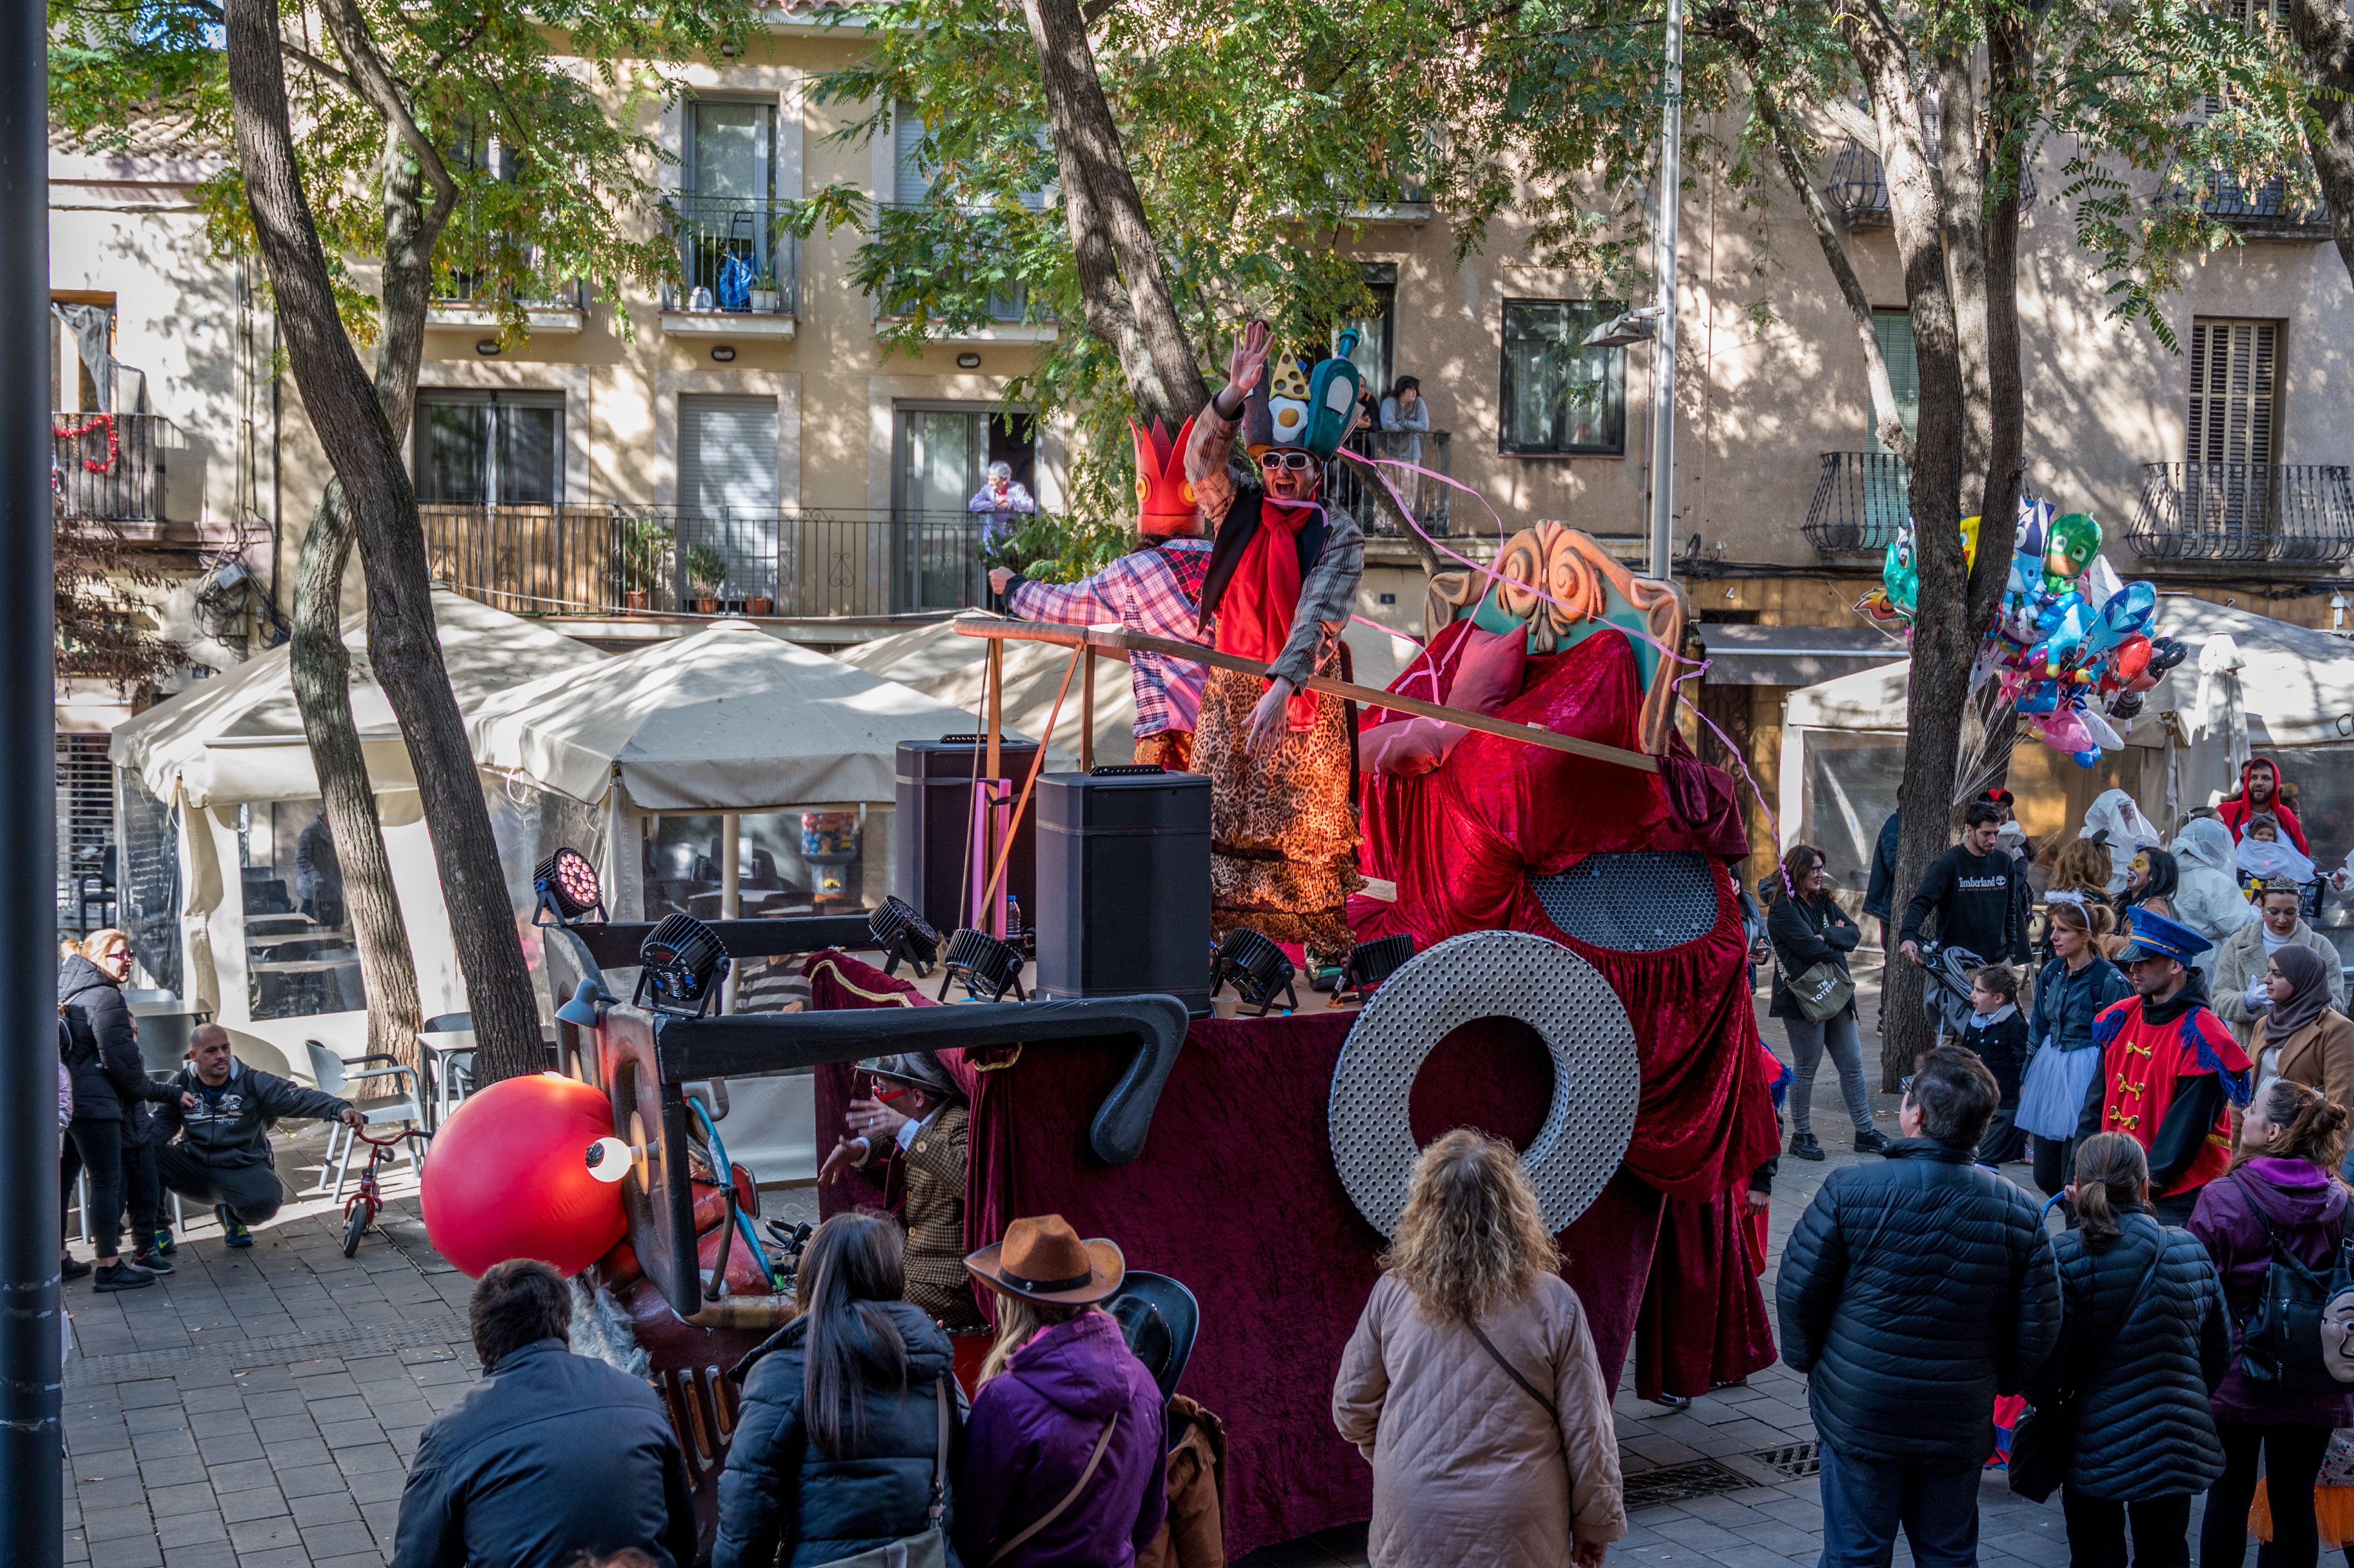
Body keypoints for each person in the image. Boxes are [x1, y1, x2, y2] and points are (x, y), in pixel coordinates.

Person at [1776, 1046, 2059, 1568]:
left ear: (1916, 1114)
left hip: (1860, 1408)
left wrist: (1816, 1362)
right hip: (1956, 1415)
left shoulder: (1850, 1188)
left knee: (1854, 1553)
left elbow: (1798, 1289)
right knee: (1948, 1553)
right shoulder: (2018, 1212)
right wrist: (1996, 1381)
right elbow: (2039, 1326)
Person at [1331, 1129, 1627, 1568]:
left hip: (1414, 1515)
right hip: (1519, 1522)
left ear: (1425, 1210)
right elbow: (1589, 1434)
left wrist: (1407, 1453)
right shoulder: (1554, 1302)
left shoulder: (1392, 1293)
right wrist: (1595, 1526)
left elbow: (1351, 1410)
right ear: (1515, 1210)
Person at [1185, 320, 1367, 958]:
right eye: (1272, 461)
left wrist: (1282, 686)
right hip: (1231, 696)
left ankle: (1319, 957)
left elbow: (1319, 617)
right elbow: (1197, 462)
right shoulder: (1232, 505)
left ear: (1315, 468)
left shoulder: (1338, 531)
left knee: (1305, 832)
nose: (1282, 472)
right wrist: (1233, 395)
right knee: (1214, 823)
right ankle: (1218, 953)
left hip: (1302, 699)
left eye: (1296, 461)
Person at [393, 1259, 698, 1568]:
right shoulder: (638, 1396)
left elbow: (417, 1559)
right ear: (565, 1323)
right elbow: (683, 1541)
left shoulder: (450, 1438)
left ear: (480, 1340)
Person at [713, 1211, 965, 1568]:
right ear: (892, 1276)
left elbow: (747, 1506)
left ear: (812, 1277)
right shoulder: (934, 1368)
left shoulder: (784, 1372)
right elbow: (961, 1483)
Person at [2027, 1133, 2227, 1568]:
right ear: (2144, 1186)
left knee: (2096, 1554)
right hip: (2174, 1439)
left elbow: (2047, 1363)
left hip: (2090, 1441)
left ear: (2076, 1188)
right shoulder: (2189, 1249)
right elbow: (2218, 1352)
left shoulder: (2063, 1256)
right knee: (2166, 1551)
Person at [2188, 1078, 2354, 1568]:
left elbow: (2200, 1295)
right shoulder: (2343, 1203)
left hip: (2239, 1375)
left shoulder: (2223, 1197)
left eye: (2254, 1108)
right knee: (2295, 1499)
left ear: (2275, 1130)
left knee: (2228, 1496)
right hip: (2317, 1376)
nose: (2244, 1112)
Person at [990, 416, 1213, 773]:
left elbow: (1067, 607)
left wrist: (1014, 587)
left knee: (1162, 822)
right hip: (1229, 728)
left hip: (1170, 730)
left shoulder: (1134, 570)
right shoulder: (1227, 563)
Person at [957, 1214, 1167, 1567]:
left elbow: (970, 1535)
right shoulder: (1145, 1383)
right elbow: (1151, 1515)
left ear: (1012, 1305)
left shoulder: (1004, 1400)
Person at [2080, 909, 2253, 1226]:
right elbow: (2094, 1108)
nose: (2133, 968)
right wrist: (2078, 1174)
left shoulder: (2206, 1039)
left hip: (2168, 1198)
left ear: (2176, 965)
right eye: (2133, 959)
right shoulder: (2119, 1018)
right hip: (2108, 1185)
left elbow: (2178, 1143)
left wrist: (2127, 1195)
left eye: (2145, 960)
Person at [151, 1023, 362, 1246]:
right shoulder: (181, 1084)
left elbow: (296, 1097)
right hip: (194, 1167)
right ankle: (157, 1232)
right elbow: (161, 1125)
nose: (222, 1056)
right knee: (144, 1152)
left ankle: (233, 1217)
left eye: (225, 1048)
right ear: (194, 1056)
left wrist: (339, 1108)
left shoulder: (252, 1082)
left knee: (265, 1202)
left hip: (242, 1166)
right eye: (212, 1051)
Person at [818, 1052, 983, 1330]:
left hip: (950, 1284)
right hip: (913, 1266)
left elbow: (971, 1180)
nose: (877, 1100)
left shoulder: (958, 1122)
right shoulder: (920, 1116)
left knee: (863, 1310)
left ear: (918, 1097)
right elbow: (891, 1134)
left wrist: (905, 1128)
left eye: (883, 1092)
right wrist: (859, 1148)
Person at [58, 930, 176, 1291]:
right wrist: (154, 1091)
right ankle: (108, 1266)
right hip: (98, 1104)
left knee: (64, 1180)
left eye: (130, 955)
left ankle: (59, 1258)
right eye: (120, 955)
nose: (128, 961)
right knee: (107, 1182)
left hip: (71, 1101)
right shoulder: (107, 997)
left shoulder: (68, 990)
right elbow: (121, 1063)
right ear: (97, 958)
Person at [1768, 843, 1882, 1161]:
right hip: (1802, 999)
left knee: (1853, 1064)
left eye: (1822, 868)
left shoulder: (1823, 900)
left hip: (1835, 991)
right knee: (1807, 1067)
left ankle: (1865, 1132)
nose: (1821, 874)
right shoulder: (1783, 909)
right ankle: (1801, 1135)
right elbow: (1808, 949)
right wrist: (1831, 938)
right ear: (1798, 871)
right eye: (1815, 869)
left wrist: (1826, 936)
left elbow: (1854, 935)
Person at [2019, 899, 2132, 1201]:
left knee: (2077, 1170)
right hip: (2052, 1070)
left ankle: (2080, 1228)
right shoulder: (2053, 972)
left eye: (2063, 930)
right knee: (2045, 1175)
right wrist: (2027, 1073)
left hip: (2089, 1076)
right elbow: (2040, 1023)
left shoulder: (2110, 980)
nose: (2053, 937)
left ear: (2085, 936)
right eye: (2053, 929)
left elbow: (2122, 1039)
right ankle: (2084, 1215)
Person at [2212, 878, 2345, 1050]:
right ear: (2261, 908)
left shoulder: (2320, 947)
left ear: (2299, 909)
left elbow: (2336, 1000)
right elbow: (2219, 997)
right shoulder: (2237, 944)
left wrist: (2294, 1006)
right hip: (2249, 1048)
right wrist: (2247, 1001)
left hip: (2303, 1049)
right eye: (2274, 912)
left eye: (2290, 912)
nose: (2282, 920)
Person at [1898, 799, 2029, 970]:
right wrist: (1908, 935)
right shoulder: (1947, 864)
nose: (1992, 840)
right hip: (1957, 963)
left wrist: (2010, 953)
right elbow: (1921, 903)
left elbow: (2010, 909)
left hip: (1996, 963)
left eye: (1996, 833)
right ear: (1970, 830)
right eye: (1986, 834)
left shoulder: (2005, 863)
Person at [2250, 945, 2354, 1113]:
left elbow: (2341, 1105)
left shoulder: (2338, 1029)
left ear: (2302, 979)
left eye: (2277, 974)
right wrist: (2237, 1137)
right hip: (2257, 1135)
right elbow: (2243, 1091)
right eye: (2269, 971)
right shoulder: (2264, 1024)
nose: (2266, 979)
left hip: (2303, 1137)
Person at [1958, 965, 2030, 1166]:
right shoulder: (1976, 1023)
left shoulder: (2015, 1027)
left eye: (1980, 991)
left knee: (1983, 1162)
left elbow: (2024, 1065)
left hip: (2005, 1110)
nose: (1972, 995)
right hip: (1978, 1106)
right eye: (1974, 989)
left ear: (1998, 998)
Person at [2169, 818, 2257, 943]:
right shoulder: (2215, 881)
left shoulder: (2172, 874)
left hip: (2182, 950)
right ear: (2214, 845)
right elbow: (2242, 927)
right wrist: (2257, 909)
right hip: (2211, 955)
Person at [2082, 788, 2163, 896]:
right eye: (2125, 812)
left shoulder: (2135, 835)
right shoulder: (2089, 836)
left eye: (2132, 811)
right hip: (2103, 891)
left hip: (2131, 890)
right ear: (2108, 814)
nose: (2130, 817)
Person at [2220, 755, 2310, 851]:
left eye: (2266, 778)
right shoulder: (2225, 811)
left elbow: (2302, 853)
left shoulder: (2286, 815)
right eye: (2254, 777)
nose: (2259, 783)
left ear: (2275, 784)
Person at [1377, 375, 1431, 520]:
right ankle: (1384, 525)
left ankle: (1404, 525)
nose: (1415, 393)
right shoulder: (1390, 402)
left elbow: (1424, 426)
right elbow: (1388, 424)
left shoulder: (1418, 402)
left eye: (1415, 390)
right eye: (1411, 389)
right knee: (1387, 489)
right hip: (1387, 450)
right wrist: (1407, 427)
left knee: (1408, 490)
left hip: (1410, 452)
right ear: (1402, 391)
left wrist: (1404, 423)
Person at [968, 461, 1038, 557]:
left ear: (1005, 479)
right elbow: (973, 505)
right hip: (993, 540)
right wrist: (994, 505)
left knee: (1012, 568)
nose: (990, 483)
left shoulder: (1017, 488)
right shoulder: (987, 489)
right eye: (988, 479)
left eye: (993, 480)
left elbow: (1029, 506)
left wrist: (1010, 503)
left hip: (1015, 538)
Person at [295, 804, 343, 926]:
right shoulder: (310, 831)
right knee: (311, 926)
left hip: (333, 888)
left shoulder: (336, 832)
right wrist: (316, 876)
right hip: (315, 890)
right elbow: (301, 858)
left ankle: (335, 944)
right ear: (323, 817)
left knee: (336, 922)